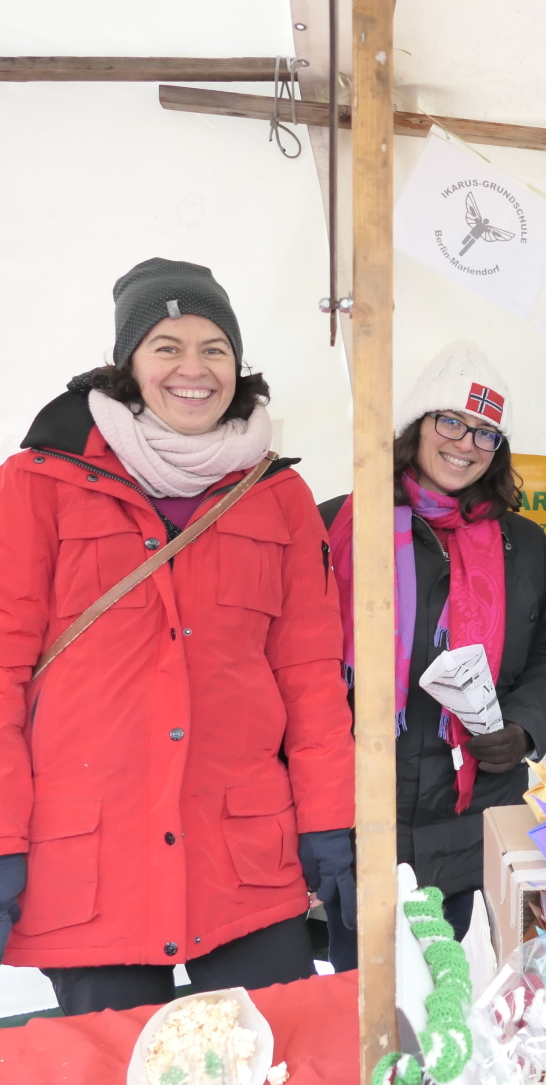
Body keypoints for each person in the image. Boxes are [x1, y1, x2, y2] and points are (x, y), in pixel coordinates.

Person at [0, 258, 355, 1014]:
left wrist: (331, 821)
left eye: (214, 348)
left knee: (281, 1051)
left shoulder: (278, 495)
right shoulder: (37, 482)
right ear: (127, 362)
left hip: (244, 857)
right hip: (90, 862)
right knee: (116, 1062)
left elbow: (311, 677)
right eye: (166, 345)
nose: (193, 368)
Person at [324, 341, 546, 951]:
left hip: (470, 805)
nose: (465, 444)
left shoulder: (523, 544)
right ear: (416, 426)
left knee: (445, 983)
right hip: (361, 805)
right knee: (360, 986)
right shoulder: (338, 526)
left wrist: (523, 727)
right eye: (451, 421)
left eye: (485, 433)